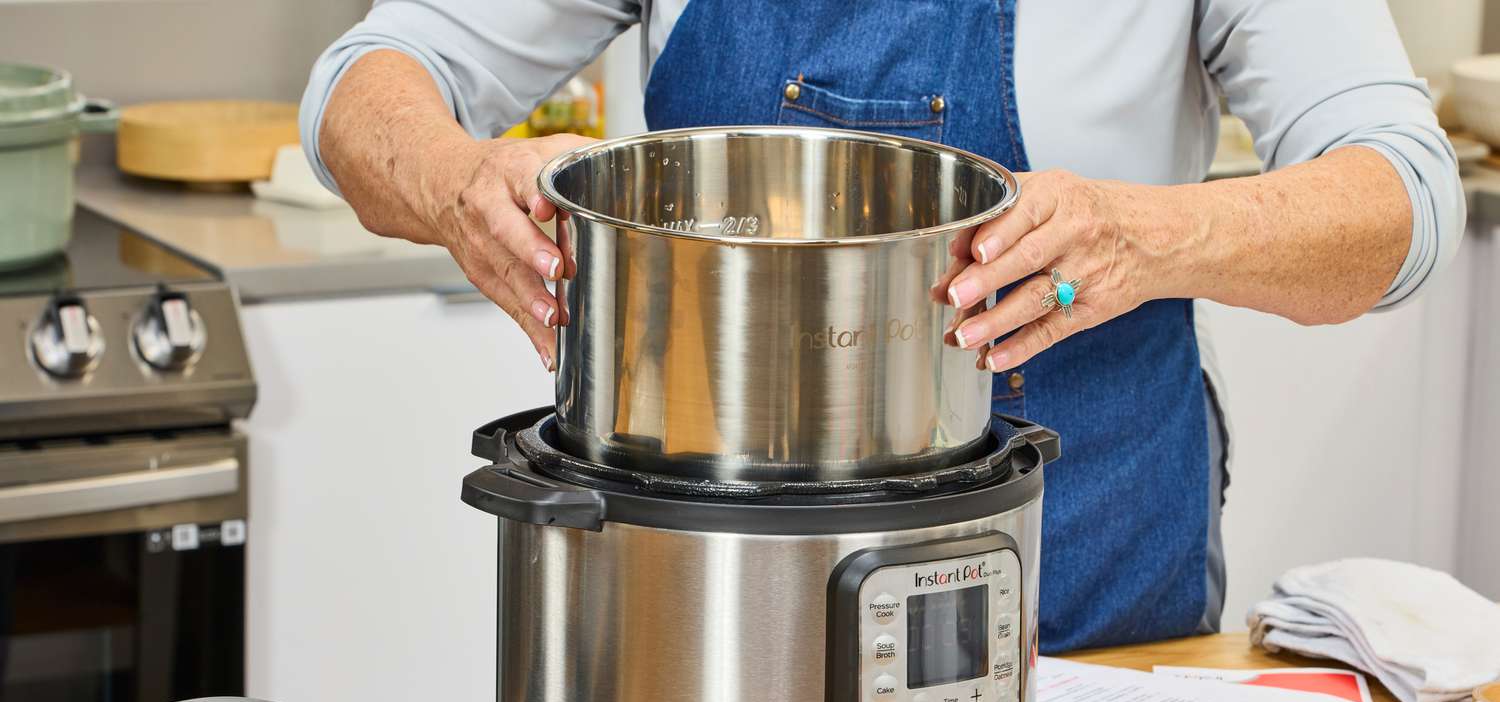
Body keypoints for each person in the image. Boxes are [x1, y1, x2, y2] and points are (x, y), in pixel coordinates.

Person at [300, 1, 1465, 653]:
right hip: (703, 622)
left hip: (1088, 594)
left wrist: (1146, 235)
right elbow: (367, 81)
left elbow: (1404, 198)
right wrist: (458, 183)